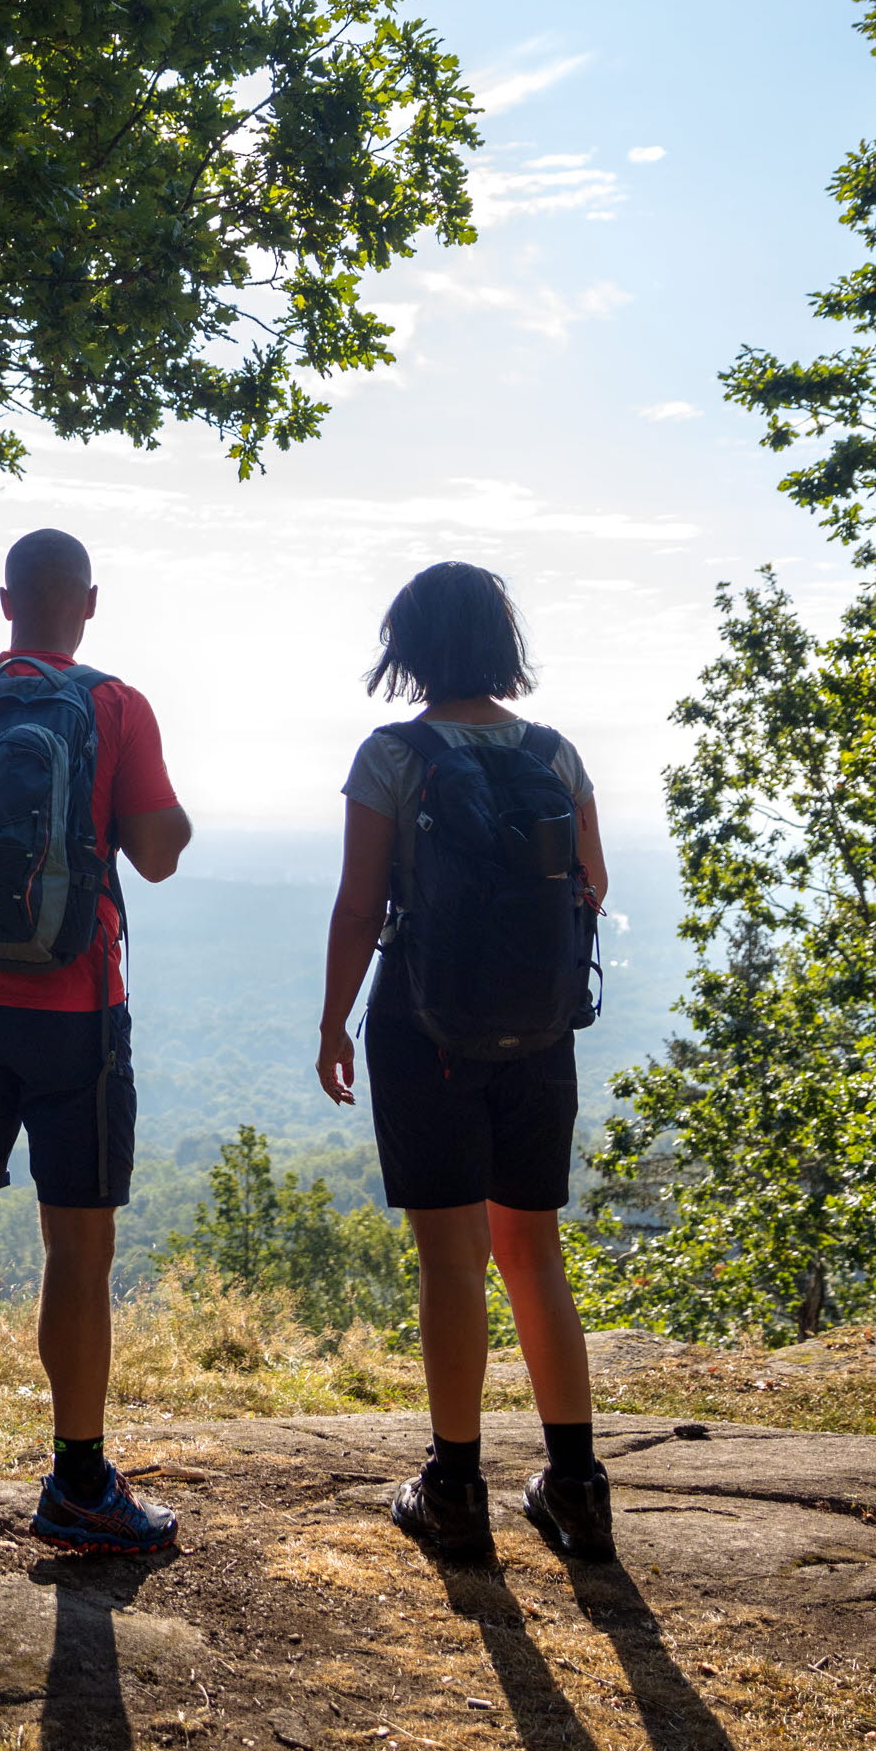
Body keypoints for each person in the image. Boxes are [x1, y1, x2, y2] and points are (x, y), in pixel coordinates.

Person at [0, 528, 195, 1555]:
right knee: (78, 1248)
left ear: (6, 597)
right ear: (88, 603)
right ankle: (75, 1478)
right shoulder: (112, 704)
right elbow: (156, 856)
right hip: (78, 1016)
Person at [315, 561, 613, 1567]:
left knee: (451, 1259)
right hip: (538, 1030)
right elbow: (591, 883)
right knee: (535, 1255)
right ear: (500, 643)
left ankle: (453, 1486)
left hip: (424, 1028)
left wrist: (333, 1021)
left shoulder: (393, 756)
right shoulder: (554, 753)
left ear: (410, 647)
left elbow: (361, 905)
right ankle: (574, 1486)